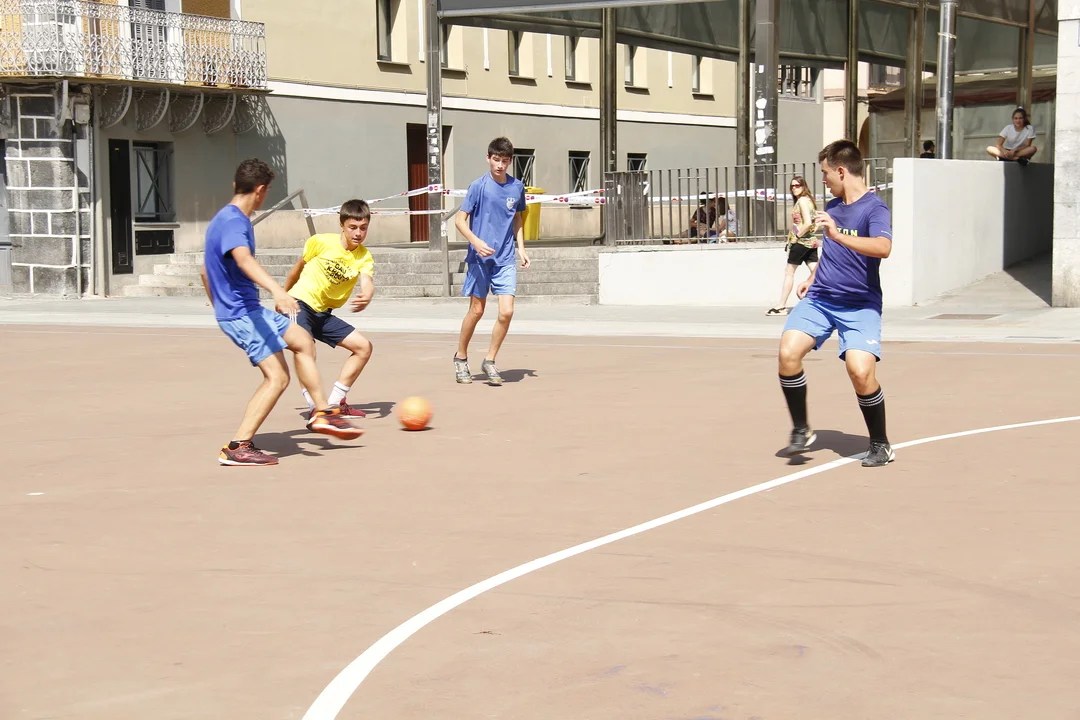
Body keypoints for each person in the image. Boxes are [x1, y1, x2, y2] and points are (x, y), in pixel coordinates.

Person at [201, 159, 363, 467]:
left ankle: (322, 412)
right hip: (242, 314)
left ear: (236, 185)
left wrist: (219, 305)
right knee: (277, 377)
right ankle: (238, 446)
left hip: (245, 310)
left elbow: (204, 273)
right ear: (261, 190)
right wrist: (278, 292)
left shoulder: (223, 219)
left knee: (302, 340)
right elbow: (244, 259)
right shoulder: (235, 222)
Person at [777, 140, 895, 468]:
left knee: (860, 372)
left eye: (826, 173)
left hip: (860, 305)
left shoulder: (875, 209)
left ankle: (880, 444)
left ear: (841, 171)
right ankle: (801, 429)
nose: (824, 180)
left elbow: (883, 247)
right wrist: (813, 278)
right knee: (788, 353)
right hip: (821, 298)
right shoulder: (833, 205)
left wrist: (839, 234)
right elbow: (832, 251)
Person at [283, 199, 376, 419]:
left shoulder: (364, 256)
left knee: (363, 347)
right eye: (353, 227)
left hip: (323, 313)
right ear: (341, 224)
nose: (358, 233)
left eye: (363, 228)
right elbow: (297, 270)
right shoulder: (320, 242)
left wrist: (367, 294)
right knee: (305, 348)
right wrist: (282, 295)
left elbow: (367, 280)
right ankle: (315, 407)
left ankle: (334, 403)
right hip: (299, 303)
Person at [453, 136, 531, 386]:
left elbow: (517, 218)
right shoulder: (478, 186)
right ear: (488, 158)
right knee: (477, 310)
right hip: (479, 259)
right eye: (496, 159)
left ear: (510, 162)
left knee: (507, 312)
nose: (500, 165)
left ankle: (489, 360)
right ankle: (461, 357)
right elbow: (460, 220)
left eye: (504, 161)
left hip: (505, 258)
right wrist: (475, 241)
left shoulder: (517, 187)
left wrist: (521, 248)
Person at [767, 175, 819, 316]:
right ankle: (829, 301)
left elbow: (807, 223)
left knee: (789, 272)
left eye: (797, 185)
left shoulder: (802, 201)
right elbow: (815, 220)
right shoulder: (809, 200)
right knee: (816, 272)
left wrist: (796, 237)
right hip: (811, 242)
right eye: (792, 186)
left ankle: (781, 306)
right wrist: (813, 228)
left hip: (801, 242)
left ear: (803, 186)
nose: (794, 188)